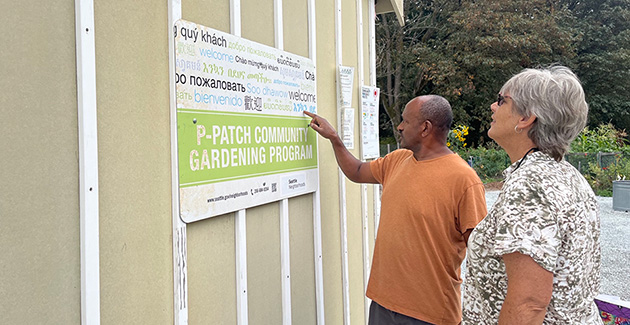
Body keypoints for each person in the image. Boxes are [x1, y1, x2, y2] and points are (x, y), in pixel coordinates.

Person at [305, 95, 487, 325]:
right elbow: (358, 171)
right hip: (383, 304)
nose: (399, 127)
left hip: (429, 314)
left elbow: (482, 251)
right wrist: (334, 139)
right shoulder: (398, 160)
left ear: (425, 128)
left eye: (405, 121)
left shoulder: (464, 179)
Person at [463, 66, 603, 324]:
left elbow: (528, 305)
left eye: (501, 100)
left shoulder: (531, 184)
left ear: (526, 117)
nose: (493, 107)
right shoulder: (567, 174)